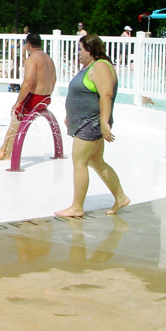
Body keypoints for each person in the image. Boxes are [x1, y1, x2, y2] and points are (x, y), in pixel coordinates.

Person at [56, 34, 130, 217]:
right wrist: (70, 115)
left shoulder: (101, 66)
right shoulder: (92, 66)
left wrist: (104, 123)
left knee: (79, 161)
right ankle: (120, 197)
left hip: (91, 123)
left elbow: (106, 95)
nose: (78, 53)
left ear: (90, 50)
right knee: (96, 161)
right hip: (85, 121)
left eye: (80, 49)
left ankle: (76, 207)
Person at [0, 32, 57, 160]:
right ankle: (4, 150)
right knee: (17, 118)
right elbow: (54, 80)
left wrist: (18, 102)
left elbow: (27, 82)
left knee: (15, 117)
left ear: (28, 44)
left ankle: (5, 152)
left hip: (34, 98)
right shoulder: (49, 58)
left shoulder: (32, 59)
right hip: (46, 98)